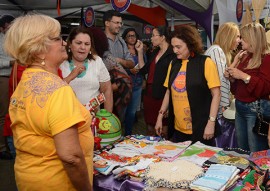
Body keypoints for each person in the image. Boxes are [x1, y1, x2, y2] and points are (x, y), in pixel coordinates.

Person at [4, 14, 93, 190]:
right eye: (57, 38)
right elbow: (71, 157)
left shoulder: (26, 81)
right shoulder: (59, 91)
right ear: (39, 48)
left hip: (28, 179)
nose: (65, 43)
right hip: (58, 182)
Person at [155, 25, 221, 146]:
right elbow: (168, 92)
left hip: (201, 127)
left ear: (190, 44)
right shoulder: (173, 63)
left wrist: (211, 123)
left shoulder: (205, 62)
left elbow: (216, 94)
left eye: (178, 47)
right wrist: (160, 117)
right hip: (178, 128)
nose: (175, 51)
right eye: (173, 47)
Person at [225, 23, 270, 151]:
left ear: (252, 38)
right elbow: (238, 89)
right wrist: (233, 78)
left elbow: (266, 88)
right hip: (240, 108)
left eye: (243, 37)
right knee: (243, 151)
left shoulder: (266, 58)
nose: (240, 41)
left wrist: (244, 76)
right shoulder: (245, 56)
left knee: (256, 153)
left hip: (256, 111)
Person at [60, 26, 113, 112]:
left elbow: (107, 89)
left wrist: (108, 116)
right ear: (70, 44)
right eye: (78, 43)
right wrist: (71, 76)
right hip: (67, 119)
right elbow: (53, 90)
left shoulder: (97, 61)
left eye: (87, 44)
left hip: (93, 119)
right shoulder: (60, 63)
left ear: (90, 47)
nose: (83, 47)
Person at [140, 26, 175, 137]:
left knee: (163, 129)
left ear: (163, 37)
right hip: (149, 94)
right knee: (150, 126)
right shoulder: (155, 52)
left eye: (153, 35)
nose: (151, 38)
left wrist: (169, 105)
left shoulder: (173, 54)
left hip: (163, 95)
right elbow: (143, 70)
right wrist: (140, 52)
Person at [103, 10, 135, 122]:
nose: (119, 26)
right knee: (104, 121)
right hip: (105, 88)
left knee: (118, 121)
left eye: (120, 23)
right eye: (116, 23)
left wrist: (118, 60)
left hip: (121, 89)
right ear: (107, 23)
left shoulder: (121, 41)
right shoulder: (100, 40)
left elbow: (131, 63)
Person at [205, 22, 240, 116]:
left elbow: (224, 74)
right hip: (216, 108)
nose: (239, 40)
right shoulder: (217, 50)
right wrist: (224, 106)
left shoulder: (217, 50)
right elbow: (221, 81)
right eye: (237, 36)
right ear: (228, 36)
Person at [122, 28, 145, 135]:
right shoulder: (122, 50)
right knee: (123, 111)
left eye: (133, 36)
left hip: (137, 84)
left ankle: (128, 134)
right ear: (125, 38)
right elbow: (116, 67)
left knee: (132, 112)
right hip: (124, 85)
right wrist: (129, 69)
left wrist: (144, 79)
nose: (132, 38)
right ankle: (119, 133)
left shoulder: (140, 50)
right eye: (129, 36)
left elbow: (144, 66)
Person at [0, 15, 15, 159]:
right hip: (3, 78)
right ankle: (3, 148)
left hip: (14, 78)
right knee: (5, 114)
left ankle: (11, 146)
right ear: (4, 26)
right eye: (11, 26)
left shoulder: (13, 40)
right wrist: (9, 63)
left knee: (13, 112)